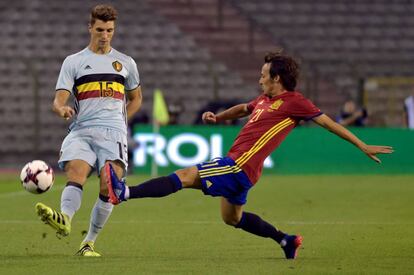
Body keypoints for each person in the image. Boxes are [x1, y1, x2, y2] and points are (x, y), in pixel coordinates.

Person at [106, 51, 393, 259]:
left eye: (263, 75)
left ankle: (124, 193)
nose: (259, 79)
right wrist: (218, 119)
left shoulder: (295, 102)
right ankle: (286, 240)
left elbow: (329, 123)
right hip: (244, 170)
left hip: (238, 166)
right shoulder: (264, 100)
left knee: (184, 176)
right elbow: (243, 108)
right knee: (232, 218)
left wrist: (362, 145)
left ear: (277, 78)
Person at [35, 4, 142, 257]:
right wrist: (61, 109)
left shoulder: (125, 63)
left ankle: (88, 242)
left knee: (108, 186)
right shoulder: (74, 62)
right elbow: (59, 98)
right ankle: (65, 219)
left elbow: (136, 98)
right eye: (100, 30)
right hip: (82, 129)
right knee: (76, 171)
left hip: (113, 133)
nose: (105, 35)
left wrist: (122, 120)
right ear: (90, 28)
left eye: (110, 30)